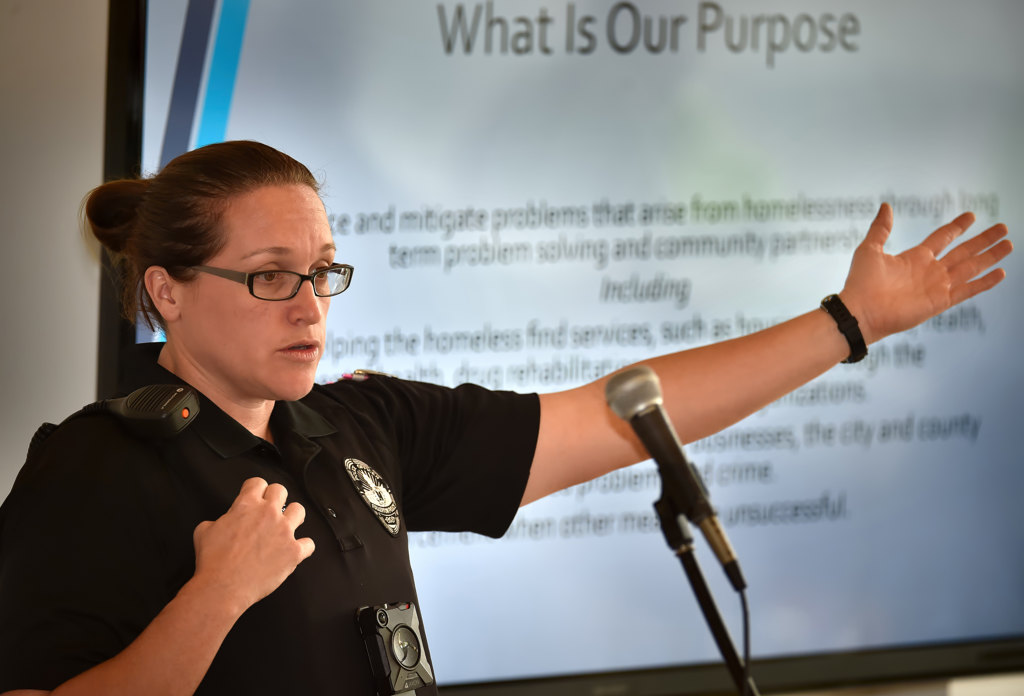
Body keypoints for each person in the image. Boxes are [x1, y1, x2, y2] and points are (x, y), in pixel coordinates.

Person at [0, 140, 1011, 696]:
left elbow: (618, 416)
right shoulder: (95, 466)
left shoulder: (358, 426)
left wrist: (848, 323)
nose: (310, 306)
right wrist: (213, 599)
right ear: (168, 292)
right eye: (270, 279)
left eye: (321, 273)